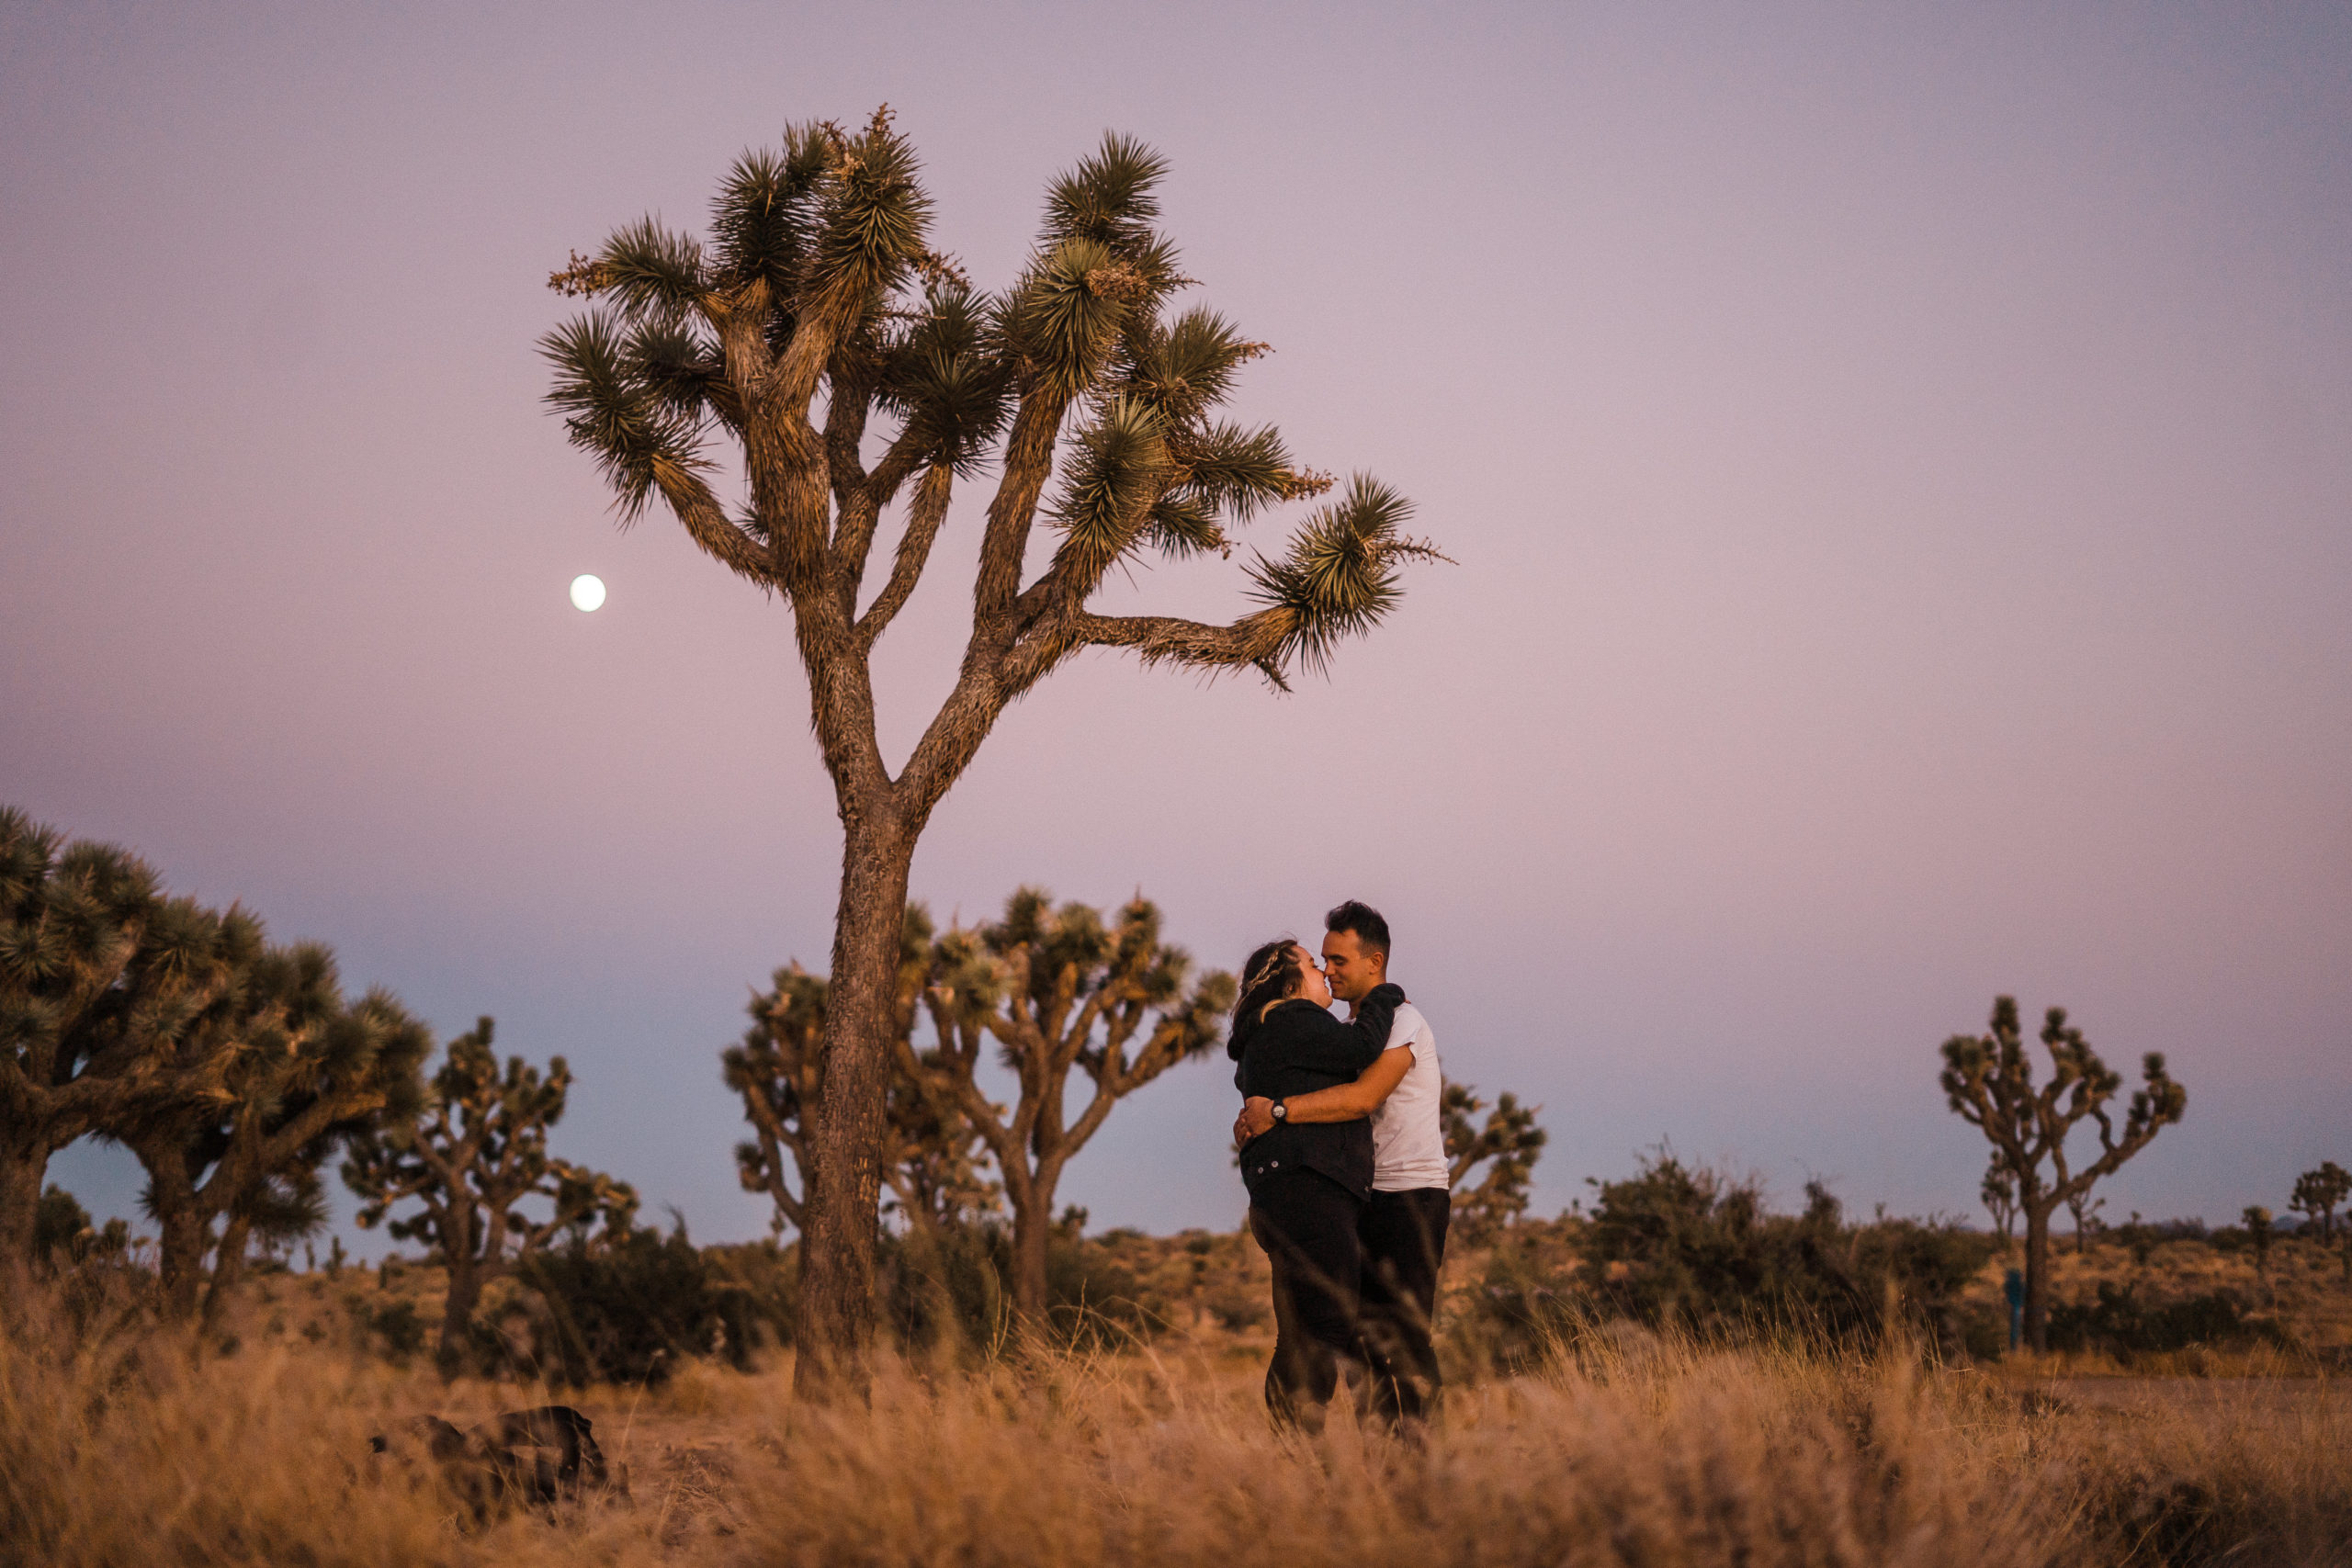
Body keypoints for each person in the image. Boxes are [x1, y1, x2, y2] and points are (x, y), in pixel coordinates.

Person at [1236, 901, 1448, 1429]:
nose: (1329, 969)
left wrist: (1276, 1113)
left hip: (1407, 1195)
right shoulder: (1339, 1029)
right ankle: (1372, 1457)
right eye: (1322, 959)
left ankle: (1411, 1458)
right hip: (1357, 1197)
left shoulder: (1399, 1019)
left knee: (1399, 1331)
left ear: (1374, 962)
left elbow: (1361, 1099)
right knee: (1354, 1334)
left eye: (1338, 959)